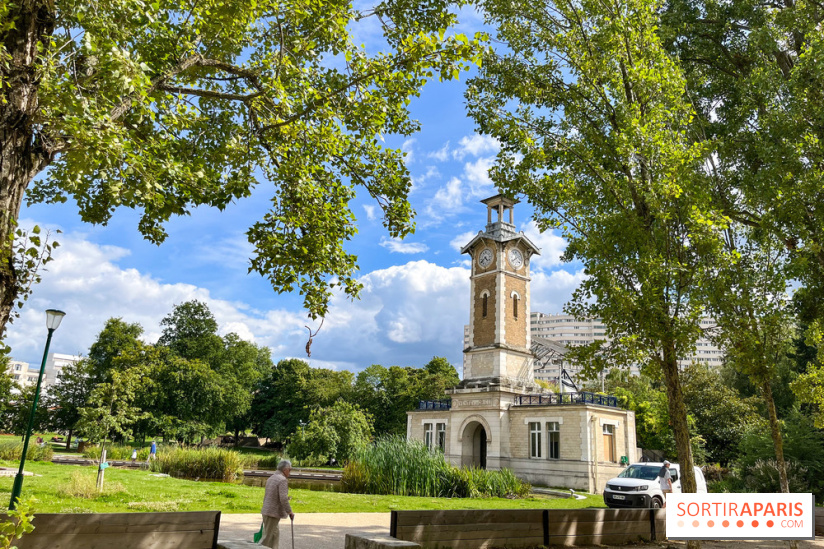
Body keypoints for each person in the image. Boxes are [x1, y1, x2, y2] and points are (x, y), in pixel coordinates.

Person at [260, 459, 295, 549]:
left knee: (274, 537)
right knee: (266, 539)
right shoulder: (282, 480)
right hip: (272, 513)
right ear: (285, 470)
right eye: (290, 470)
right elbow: (283, 498)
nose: (290, 473)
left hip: (267, 511)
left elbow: (269, 495)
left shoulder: (271, 478)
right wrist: (290, 512)